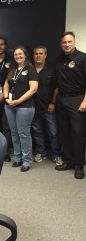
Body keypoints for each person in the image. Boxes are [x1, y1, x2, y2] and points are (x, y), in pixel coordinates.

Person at [54, 31, 86, 179]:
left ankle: (79, 166)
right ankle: (69, 161)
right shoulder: (58, 60)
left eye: (69, 42)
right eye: (64, 42)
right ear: (61, 44)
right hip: (62, 99)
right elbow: (56, 84)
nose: (67, 45)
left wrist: (85, 101)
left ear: (74, 42)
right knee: (64, 132)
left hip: (77, 100)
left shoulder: (82, 58)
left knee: (78, 133)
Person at [3, 46, 38, 172]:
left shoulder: (31, 69)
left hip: (25, 107)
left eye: (20, 54)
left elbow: (33, 89)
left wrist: (18, 101)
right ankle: (18, 158)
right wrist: (6, 98)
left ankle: (27, 161)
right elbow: (6, 85)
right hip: (10, 106)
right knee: (14, 133)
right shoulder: (12, 70)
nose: (18, 56)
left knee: (24, 134)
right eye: (16, 54)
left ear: (25, 55)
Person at [31, 46, 63, 165]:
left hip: (49, 107)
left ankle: (56, 154)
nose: (38, 56)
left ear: (45, 56)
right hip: (33, 107)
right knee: (37, 132)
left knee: (53, 132)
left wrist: (53, 102)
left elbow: (57, 87)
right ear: (33, 56)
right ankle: (41, 152)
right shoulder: (30, 69)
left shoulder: (51, 70)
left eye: (41, 53)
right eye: (36, 54)